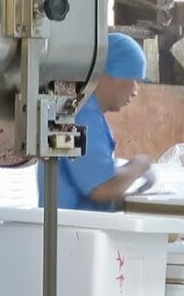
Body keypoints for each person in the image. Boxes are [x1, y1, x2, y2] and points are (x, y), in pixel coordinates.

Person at [38, 32, 154, 211]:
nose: (135, 91)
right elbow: (100, 188)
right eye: (134, 80)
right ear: (114, 75)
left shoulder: (80, 111)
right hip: (69, 234)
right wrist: (137, 166)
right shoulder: (77, 115)